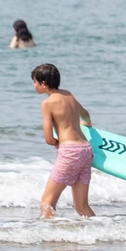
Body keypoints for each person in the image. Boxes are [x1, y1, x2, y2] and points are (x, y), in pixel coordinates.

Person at [32, 63, 95, 219]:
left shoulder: (47, 103)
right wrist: (87, 125)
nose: (34, 85)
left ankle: (51, 239)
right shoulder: (68, 95)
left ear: (44, 83)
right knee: (82, 206)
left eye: (35, 82)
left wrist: (57, 143)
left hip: (70, 152)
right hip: (86, 150)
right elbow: (85, 114)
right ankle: (103, 233)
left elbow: (49, 138)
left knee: (47, 204)